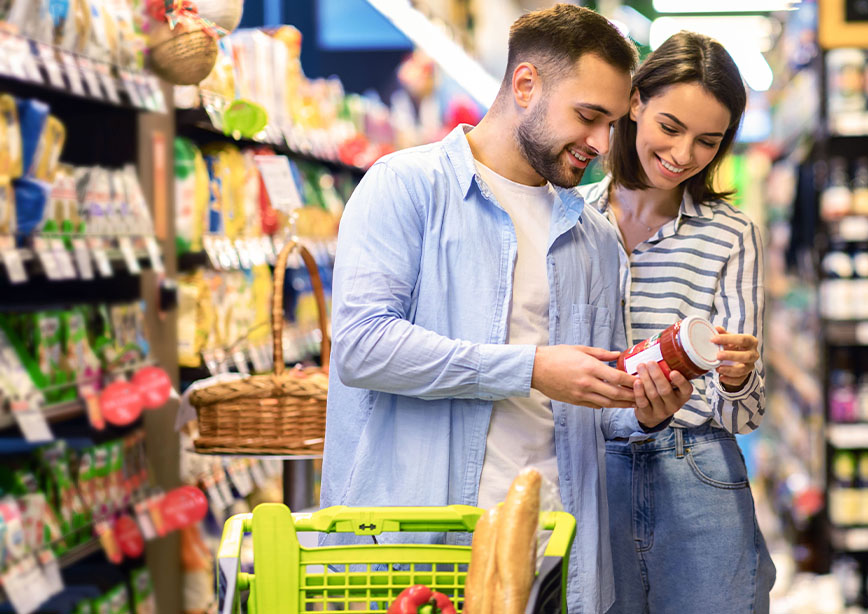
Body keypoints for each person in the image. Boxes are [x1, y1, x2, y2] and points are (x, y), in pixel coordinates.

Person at [320, 5, 680, 613]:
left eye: (613, 124)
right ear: (525, 85)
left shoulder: (595, 239)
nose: (601, 144)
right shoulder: (405, 188)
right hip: (418, 554)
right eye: (588, 117)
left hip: (555, 557)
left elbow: (593, 408)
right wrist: (529, 368)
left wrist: (644, 411)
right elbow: (362, 346)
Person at [577, 31, 776, 612]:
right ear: (634, 103)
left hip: (699, 472)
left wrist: (739, 376)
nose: (684, 154)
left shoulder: (731, 233)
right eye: (670, 127)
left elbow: (745, 416)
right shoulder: (570, 219)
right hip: (592, 470)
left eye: (707, 141)